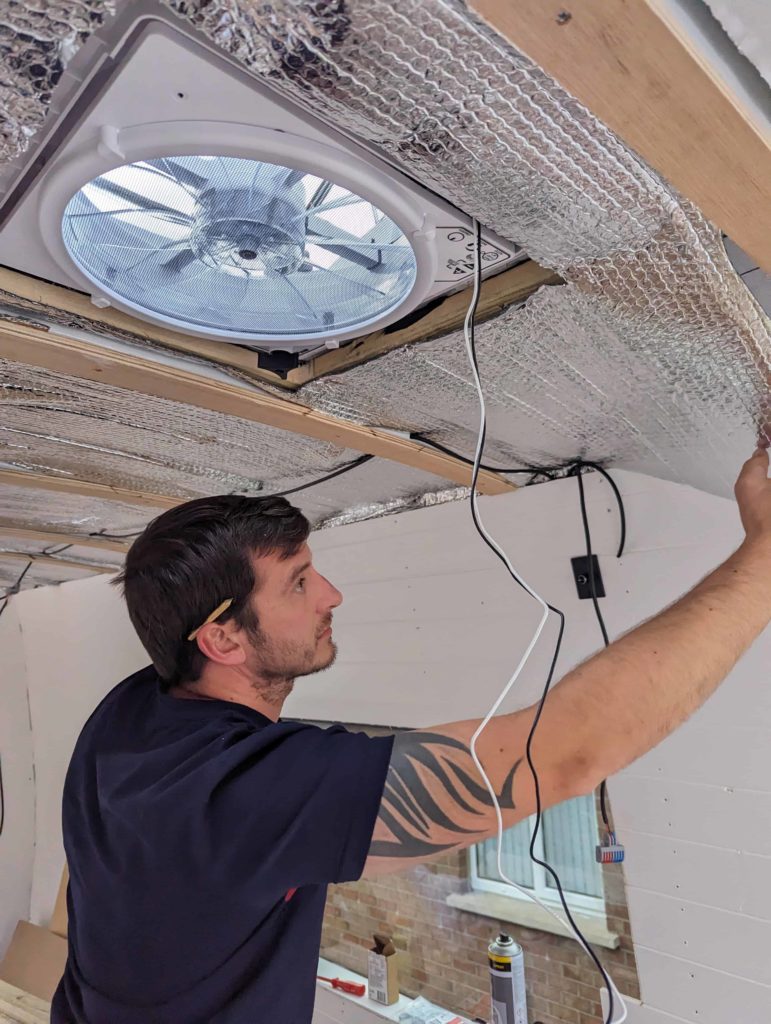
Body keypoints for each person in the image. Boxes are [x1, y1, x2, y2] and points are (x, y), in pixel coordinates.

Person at [52, 449, 771, 1023]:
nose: (331, 595)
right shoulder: (238, 794)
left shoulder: (130, 716)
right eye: (299, 584)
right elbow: (563, 755)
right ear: (222, 639)